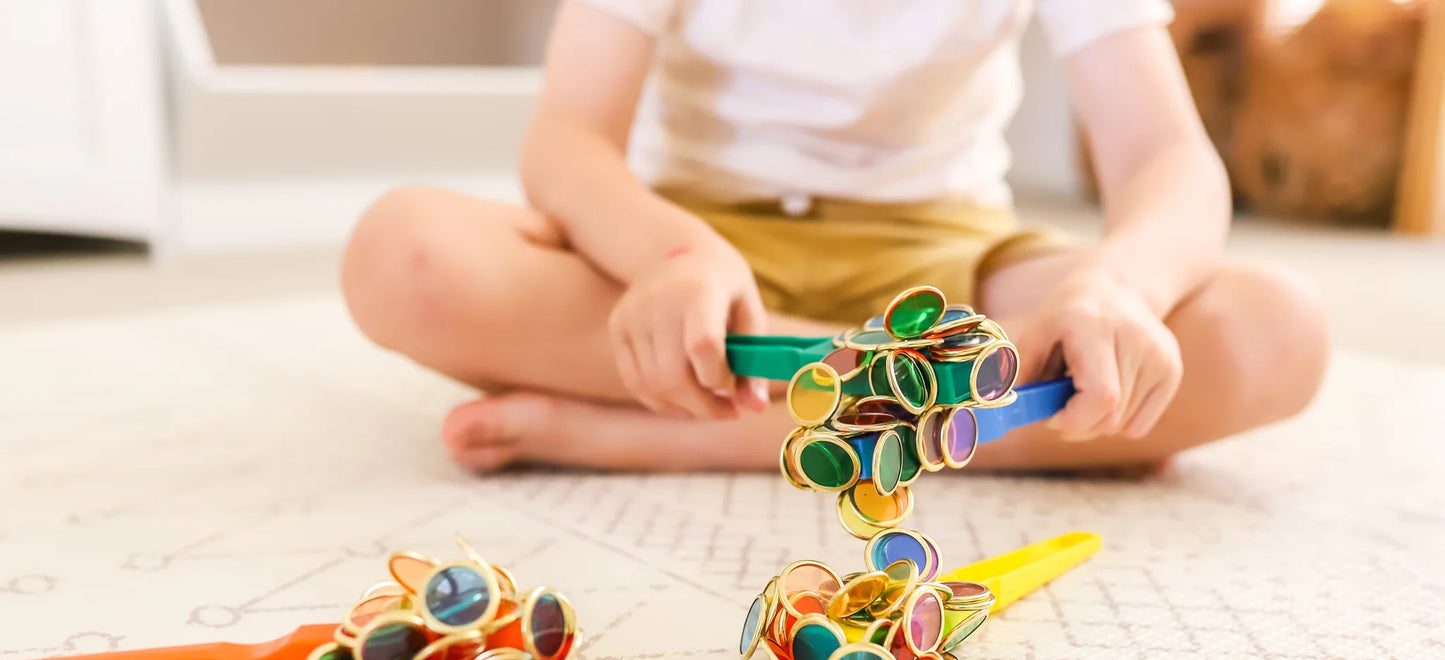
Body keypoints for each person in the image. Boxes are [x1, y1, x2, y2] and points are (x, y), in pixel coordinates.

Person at [341, 0, 1329, 474]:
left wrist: (1115, 290)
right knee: (402, 251)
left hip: (947, 262)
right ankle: (918, 415)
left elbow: (1164, 154)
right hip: (702, 251)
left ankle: (682, 433)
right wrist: (667, 256)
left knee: (1273, 330)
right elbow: (567, 139)